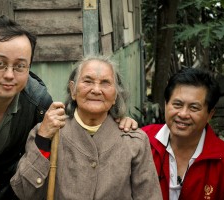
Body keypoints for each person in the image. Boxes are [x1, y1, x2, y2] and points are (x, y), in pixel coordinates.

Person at [0, 16, 138, 199]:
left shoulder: (38, 102)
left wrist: (115, 117)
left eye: (20, 66)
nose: (9, 74)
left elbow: (67, 125)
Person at [10, 56, 162, 200]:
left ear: (115, 94)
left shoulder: (134, 142)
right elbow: (24, 192)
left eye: (105, 83)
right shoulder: (48, 133)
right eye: (88, 81)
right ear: (73, 90)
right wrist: (43, 139)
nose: (96, 90)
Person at [142, 67, 224, 200]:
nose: (183, 114)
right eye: (177, 104)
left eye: (194, 107)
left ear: (210, 114)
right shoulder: (141, 141)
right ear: (165, 104)